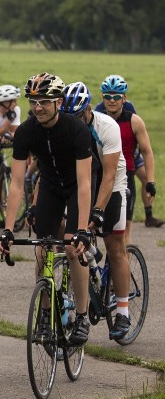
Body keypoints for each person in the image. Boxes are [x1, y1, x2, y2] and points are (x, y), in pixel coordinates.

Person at [0, 72, 93, 346]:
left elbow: (85, 184)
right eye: (34, 101)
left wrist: (83, 230)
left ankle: (83, 316)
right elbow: (16, 184)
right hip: (50, 185)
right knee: (43, 246)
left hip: (77, 184)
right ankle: (45, 312)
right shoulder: (26, 132)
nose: (38, 107)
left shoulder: (76, 129)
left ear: (59, 102)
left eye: (45, 101)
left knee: (74, 248)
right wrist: (7, 229)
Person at [62, 82, 132, 339]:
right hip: (84, 178)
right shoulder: (66, 128)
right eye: (69, 117)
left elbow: (109, 174)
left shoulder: (106, 127)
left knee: (115, 246)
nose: (74, 122)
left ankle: (123, 312)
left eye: (78, 116)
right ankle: (90, 254)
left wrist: (99, 210)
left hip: (112, 181)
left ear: (89, 109)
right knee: (70, 235)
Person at [94, 75, 161, 237]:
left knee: (122, 235)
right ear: (102, 97)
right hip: (99, 175)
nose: (111, 100)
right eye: (107, 96)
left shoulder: (134, 120)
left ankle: (121, 258)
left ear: (124, 98)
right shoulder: (96, 118)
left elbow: (146, 151)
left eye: (116, 96)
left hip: (125, 175)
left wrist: (150, 181)